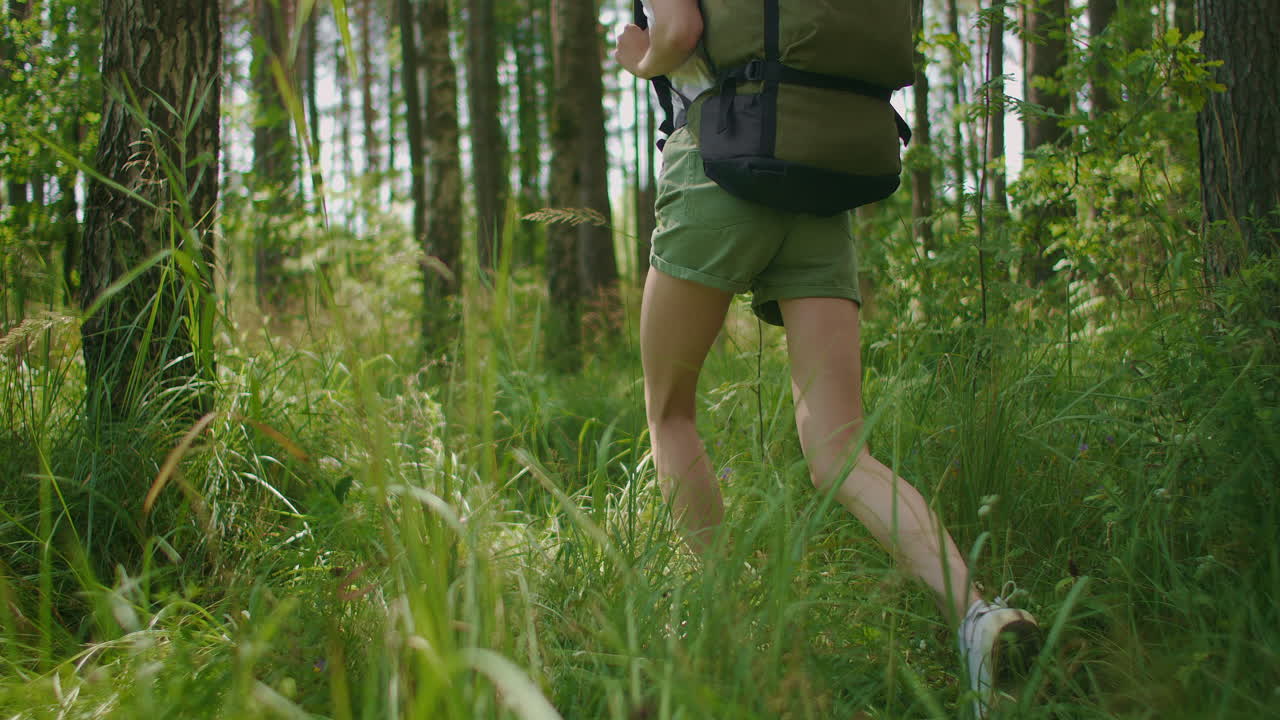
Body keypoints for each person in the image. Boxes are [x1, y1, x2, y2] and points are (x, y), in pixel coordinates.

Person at [615, 0, 1039, 715]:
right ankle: (976, 617)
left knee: (671, 413)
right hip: (817, 174)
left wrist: (638, 55)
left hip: (717, 163)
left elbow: (679, 35)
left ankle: (734, 633)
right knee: (843, 451)